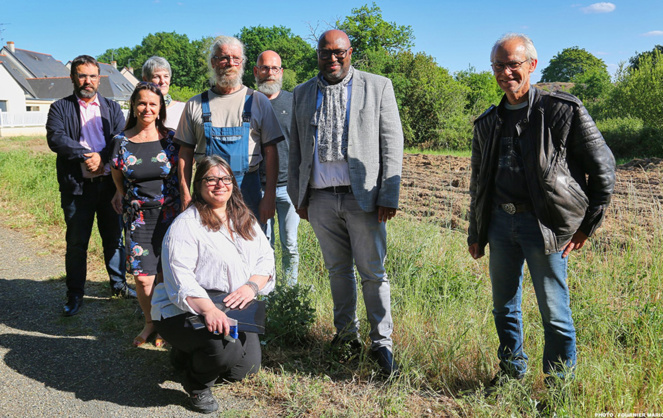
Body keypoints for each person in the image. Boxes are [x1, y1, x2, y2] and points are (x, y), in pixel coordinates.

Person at [467, 33, 616, 385]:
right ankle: (511, 372)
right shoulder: (487, 122)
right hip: (501, 225)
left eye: (513, 64)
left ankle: (558, 386)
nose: (506, 72)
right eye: (499, 66)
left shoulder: (563, 110)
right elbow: (478, 183)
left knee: (555, 312)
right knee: (504, 307)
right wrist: (476, 232)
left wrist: (585, 226)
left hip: (545, 226)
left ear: (532, 65)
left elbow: (604, 169)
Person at [288, 30, 404, 376]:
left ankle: (381, 343)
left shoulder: (377, 86)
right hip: (321, 199)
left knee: (373, 273)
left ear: (350, 52)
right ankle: (346, 336)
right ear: (318, 55)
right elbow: (296, 148)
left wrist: (388, 194)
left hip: (363, 199)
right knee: (337, 271)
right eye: (326, 53)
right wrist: (300, 197)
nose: (333, 59)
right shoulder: (303, 92)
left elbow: (391, 142)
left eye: (339, 52)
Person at [152, 155, 275, 413]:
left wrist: (251, 287)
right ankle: (196, 384)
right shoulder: (186, 225)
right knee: (224, 350)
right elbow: (180, 279)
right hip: (184, 309)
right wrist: (209, 310)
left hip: (230, 305)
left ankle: (187, 355)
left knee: (245, 369)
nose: (220, 184)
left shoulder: (244, 219)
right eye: (211, 179)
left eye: (225, 178)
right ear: (199, 185)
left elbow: (266, 259)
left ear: (233, 183)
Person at [46, 55, 136, 317]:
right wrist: (88, 154)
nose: (87, 81)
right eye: (82, 75)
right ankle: (75, 294)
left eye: (92, 76)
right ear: (73, 77)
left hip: (109, 186)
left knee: (114, 240)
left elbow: (121, 139)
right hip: (77, 188)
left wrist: (104, 157)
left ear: (99, 78)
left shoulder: (111, 108)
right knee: (77, 243)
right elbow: (57, 139)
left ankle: (118, 286)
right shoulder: (59, 108)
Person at [175, 36, 283, 226]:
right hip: (206, 192)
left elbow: (271, 152)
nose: (230, 63)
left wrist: (269, 196)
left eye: (235, 58)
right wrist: (185, 193)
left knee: (248, 247)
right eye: (223, 57)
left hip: (248, 188)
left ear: (242, 63)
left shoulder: (258, 101)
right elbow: (185, 154)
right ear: (213, 62)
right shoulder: (195, 104)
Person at [110, 82, 180, 347]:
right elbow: (117, 169)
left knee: (165, 273)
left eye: (153, 103)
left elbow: (183, 172)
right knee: (143, 277)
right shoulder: (121, 140)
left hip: (169, 215)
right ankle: (150, 322)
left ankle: (165, 324)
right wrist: (119, 191)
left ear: (160, 108)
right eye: (142, 102)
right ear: (133, 105)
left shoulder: (171, 139)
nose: (147, 108)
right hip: (138, 217)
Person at [254, 50, 299, 285]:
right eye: (264, 68)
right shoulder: (248, 102)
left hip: (289, 187)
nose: (269, 73)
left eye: (274, 68)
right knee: (263, 243)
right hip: (257, 187)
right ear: (256, 71)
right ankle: (267, 291)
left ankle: (290, 292)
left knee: (290, 243)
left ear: (281, 72)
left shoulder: (293, 102)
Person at [142, 56, 186, 128]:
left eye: (166, 76)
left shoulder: (183, 109)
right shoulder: (140, 111)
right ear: (145, 80)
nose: (162, 81)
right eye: (156, 77)